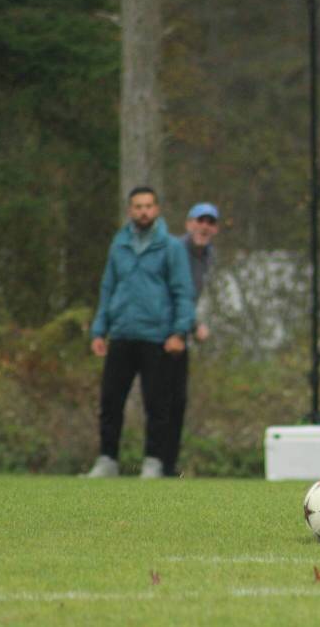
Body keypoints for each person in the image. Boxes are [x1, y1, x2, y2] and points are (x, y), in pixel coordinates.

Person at [86, 187, 195, 479]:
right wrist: (100, 330)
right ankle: (107, 459)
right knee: (110, 400)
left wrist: (179, 332)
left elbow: (183, 292)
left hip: (157, 337)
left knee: (157, 404)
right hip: (121, 333)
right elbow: (108, 288)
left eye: (148, 206)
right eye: (138, 206)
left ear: (157, 209)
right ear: (130, 210)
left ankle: (153, 462)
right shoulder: (118, 245)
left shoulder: (171, 248)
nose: (143, 211)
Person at [162, 202, 221, 477]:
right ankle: (153, 461)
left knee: (177, 401)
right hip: (164, 331)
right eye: (200, 220)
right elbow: (171, 293)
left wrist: (194, 325)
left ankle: (167, 464)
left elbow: (196, 296)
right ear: (189, 224)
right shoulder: (174, 250)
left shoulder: (209, 256)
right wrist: (188, 325)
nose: (204, 226)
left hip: (181, 331)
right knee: (159, 401)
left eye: (210, 222)